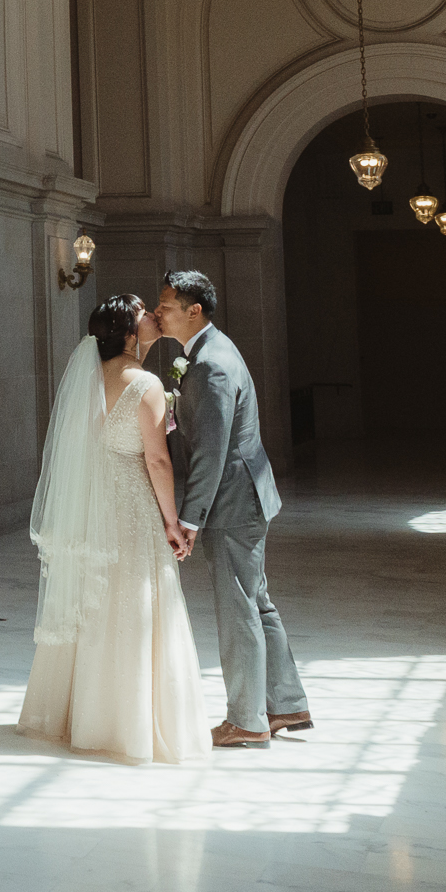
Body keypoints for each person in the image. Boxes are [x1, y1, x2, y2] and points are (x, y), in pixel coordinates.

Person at [15, 293, 208, 764]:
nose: (152, 316)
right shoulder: (144, 384)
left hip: (92, 503)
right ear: (128, 331)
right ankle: (128, 722)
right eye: (143, 312)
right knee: (135, 599)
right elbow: (158, 460)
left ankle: (79, 715)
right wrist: (173, 522)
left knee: (95, 600)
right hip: (130, 503)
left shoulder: (86, 379)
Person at [158, 270, 310, 748]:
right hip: (246, 495)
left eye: (165, 304)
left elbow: (212, 450)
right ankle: (285, 705)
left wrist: (188, 519)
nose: (158, 312)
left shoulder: (211, 363)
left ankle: (246, 719)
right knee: (255, 602)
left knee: (238, 607)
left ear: (193, 310)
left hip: (234, 500)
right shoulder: (205, 352)